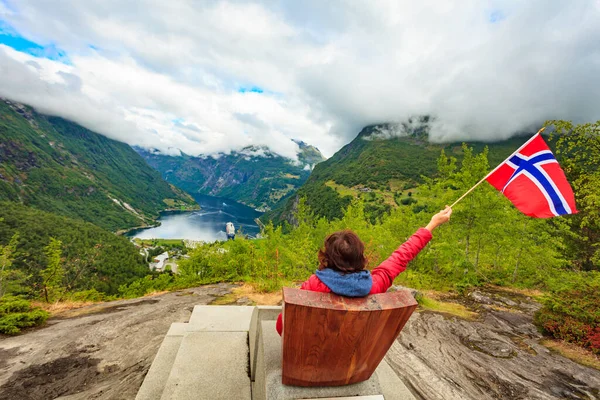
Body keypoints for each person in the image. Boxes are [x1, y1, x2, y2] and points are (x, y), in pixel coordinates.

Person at [276, 206, 452, 335]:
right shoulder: (375, 285)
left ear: (327, 258)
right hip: (351, 364)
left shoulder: (314, 285)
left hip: (309, 361)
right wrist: (432, 224)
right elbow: (401, 256)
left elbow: (280, 327)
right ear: (360, 258)